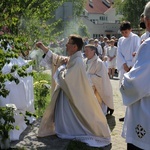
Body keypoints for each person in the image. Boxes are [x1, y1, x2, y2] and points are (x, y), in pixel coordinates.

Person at [36, 34, 112, 148]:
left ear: (75, 47)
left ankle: (71, 131)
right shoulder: (73, 58)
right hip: (68, 96)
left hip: (72, 98)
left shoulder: (78, 61)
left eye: (69, 43)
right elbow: (56, 58)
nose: (66, 45)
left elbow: (68, 81)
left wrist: (61, 69)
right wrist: (43, 47)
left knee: (74, 122)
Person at [120, 2, 150, 149]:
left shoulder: (148, 45)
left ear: (148, 21)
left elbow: (135, 85)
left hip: (145, 114)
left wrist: (124, 82)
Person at [116, 21, 141, 122]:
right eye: (122, 32)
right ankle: (126, 113)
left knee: (133, 91)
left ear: (130, 30)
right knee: (124, 90)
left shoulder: (135, 38)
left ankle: (134, 114)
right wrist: (124, 64)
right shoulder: (121, 40)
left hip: (133, 67)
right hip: (124, 67)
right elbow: (119, 53)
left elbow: (138, 51)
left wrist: (131, 65)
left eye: (126, 32)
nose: (124, 34)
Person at [84, 44, 114, 116]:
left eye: (87, 51)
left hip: (97, 89)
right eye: (84, 51)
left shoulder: (99, 63)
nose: (85, 52)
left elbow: (100, 78)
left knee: (98, 107)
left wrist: (87, 77)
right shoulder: (84, 61)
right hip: (86, 87)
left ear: (93, 51)